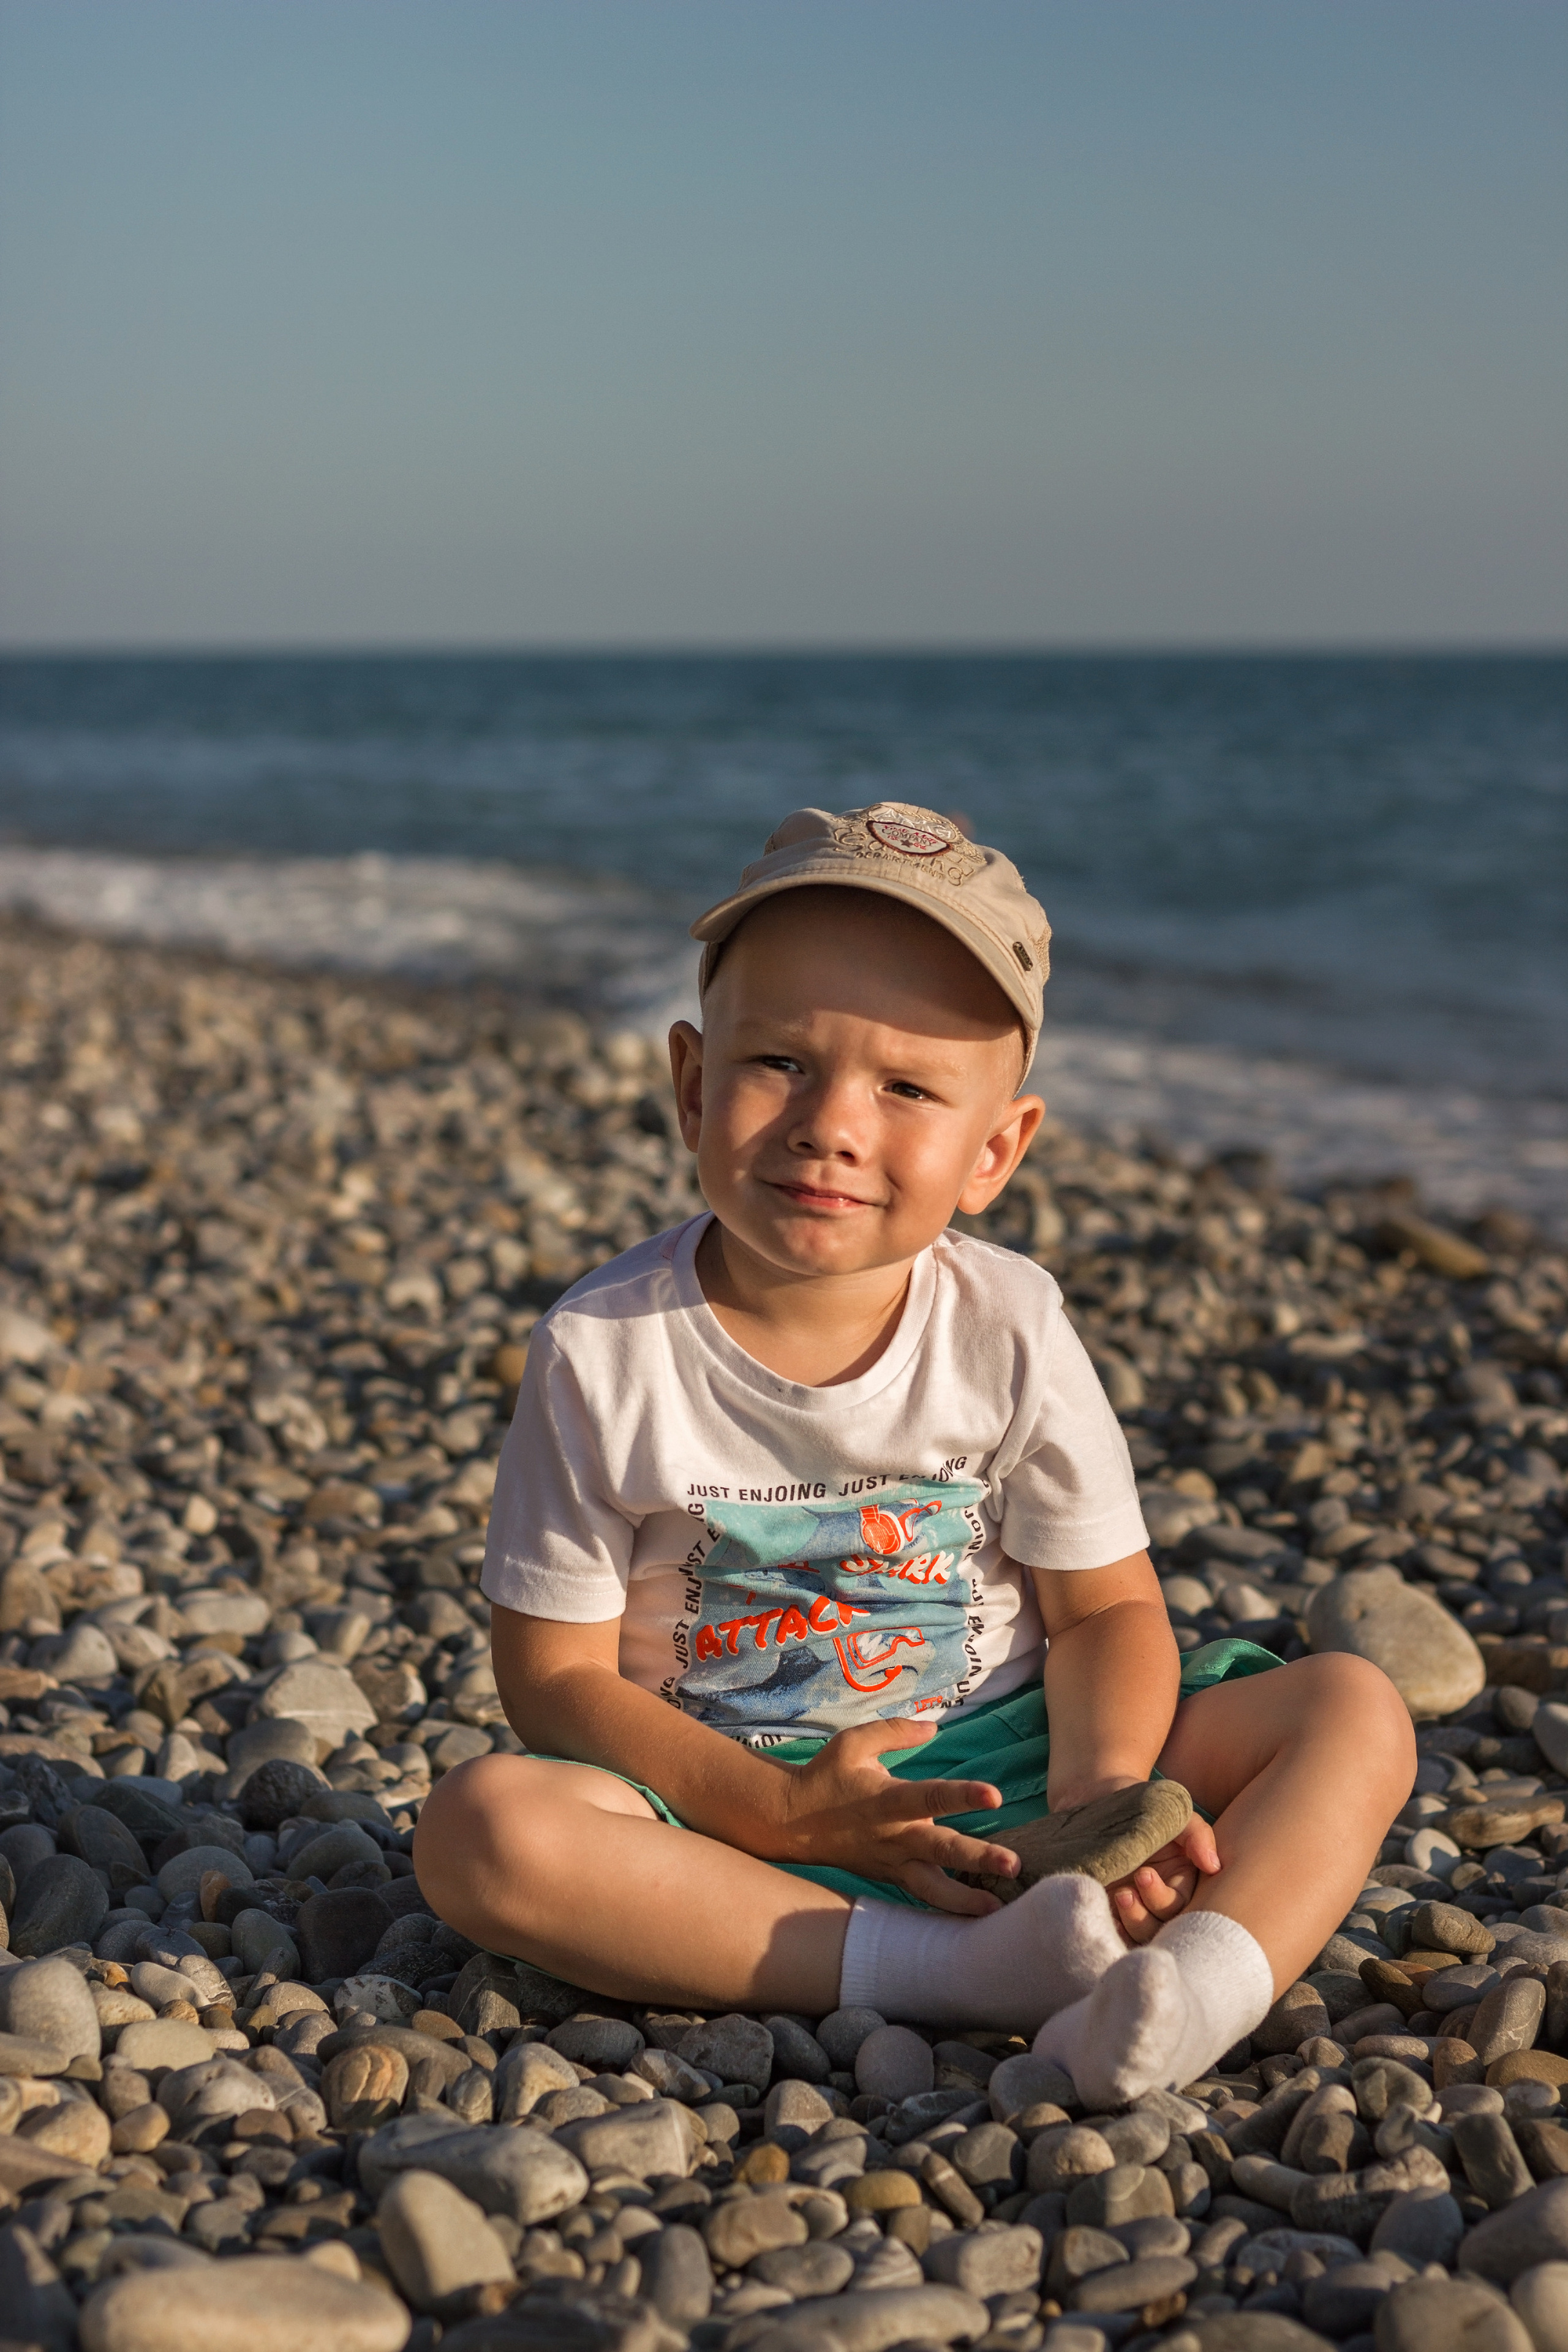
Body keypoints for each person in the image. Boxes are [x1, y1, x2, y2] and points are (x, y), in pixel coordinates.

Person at [414, 802, 1414, 2103]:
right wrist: (772, 1815)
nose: (832, 1123)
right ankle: (957, 1974)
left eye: (905, 1088)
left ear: (995, 1150)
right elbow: (550, 1675)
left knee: (1350, 1708)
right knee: (482, 1833)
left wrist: (1103, 1799)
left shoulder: (1007, 1324)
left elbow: (1104, 1606)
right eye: (779, 1063)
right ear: (692, 1085)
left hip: (1013, 1765)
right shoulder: (603, 1351)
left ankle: (1201, 1993)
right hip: (730, 1809)